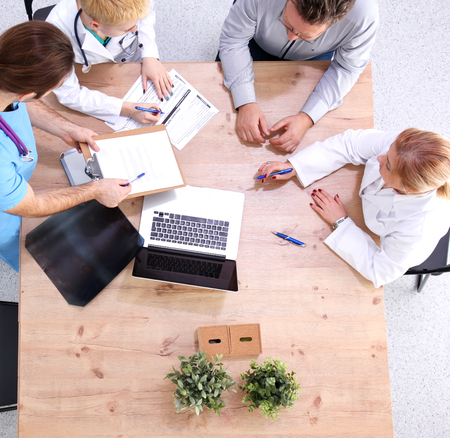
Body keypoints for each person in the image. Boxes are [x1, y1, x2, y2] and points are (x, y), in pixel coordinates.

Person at [0, 21, 132, 272]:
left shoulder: (6, 69)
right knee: (38, 270)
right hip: (7, 218)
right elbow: (32, 205)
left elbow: (17, 98)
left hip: (14, 183)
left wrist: (66, 128)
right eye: (52, 89)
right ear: (28, 93)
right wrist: (95, 190)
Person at [256, 128, 450, 287]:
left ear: (408, 188)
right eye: (388, 150)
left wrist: (341, 223)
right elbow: (350, 144)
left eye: (388, 165)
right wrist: (296, 166)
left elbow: (379, 271)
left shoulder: (418, 230)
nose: (380, 158)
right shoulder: (403, 149)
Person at [219, 0, 379, 152]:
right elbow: (234, 40)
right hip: (253, 39)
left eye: (305, 36)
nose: (291, 37)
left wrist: (308, 117)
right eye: (286, 21)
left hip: (311, 57)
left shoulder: (364, 16)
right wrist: (245, 101)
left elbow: (346, 68)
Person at [46, 0, 170, 125]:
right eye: (126, 29)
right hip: (92, 77)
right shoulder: (55, 33)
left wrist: (149, 55)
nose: (135, 29)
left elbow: (146, 14)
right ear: (95, 25)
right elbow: (69, 94)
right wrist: (127, 109)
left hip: (130, 63)